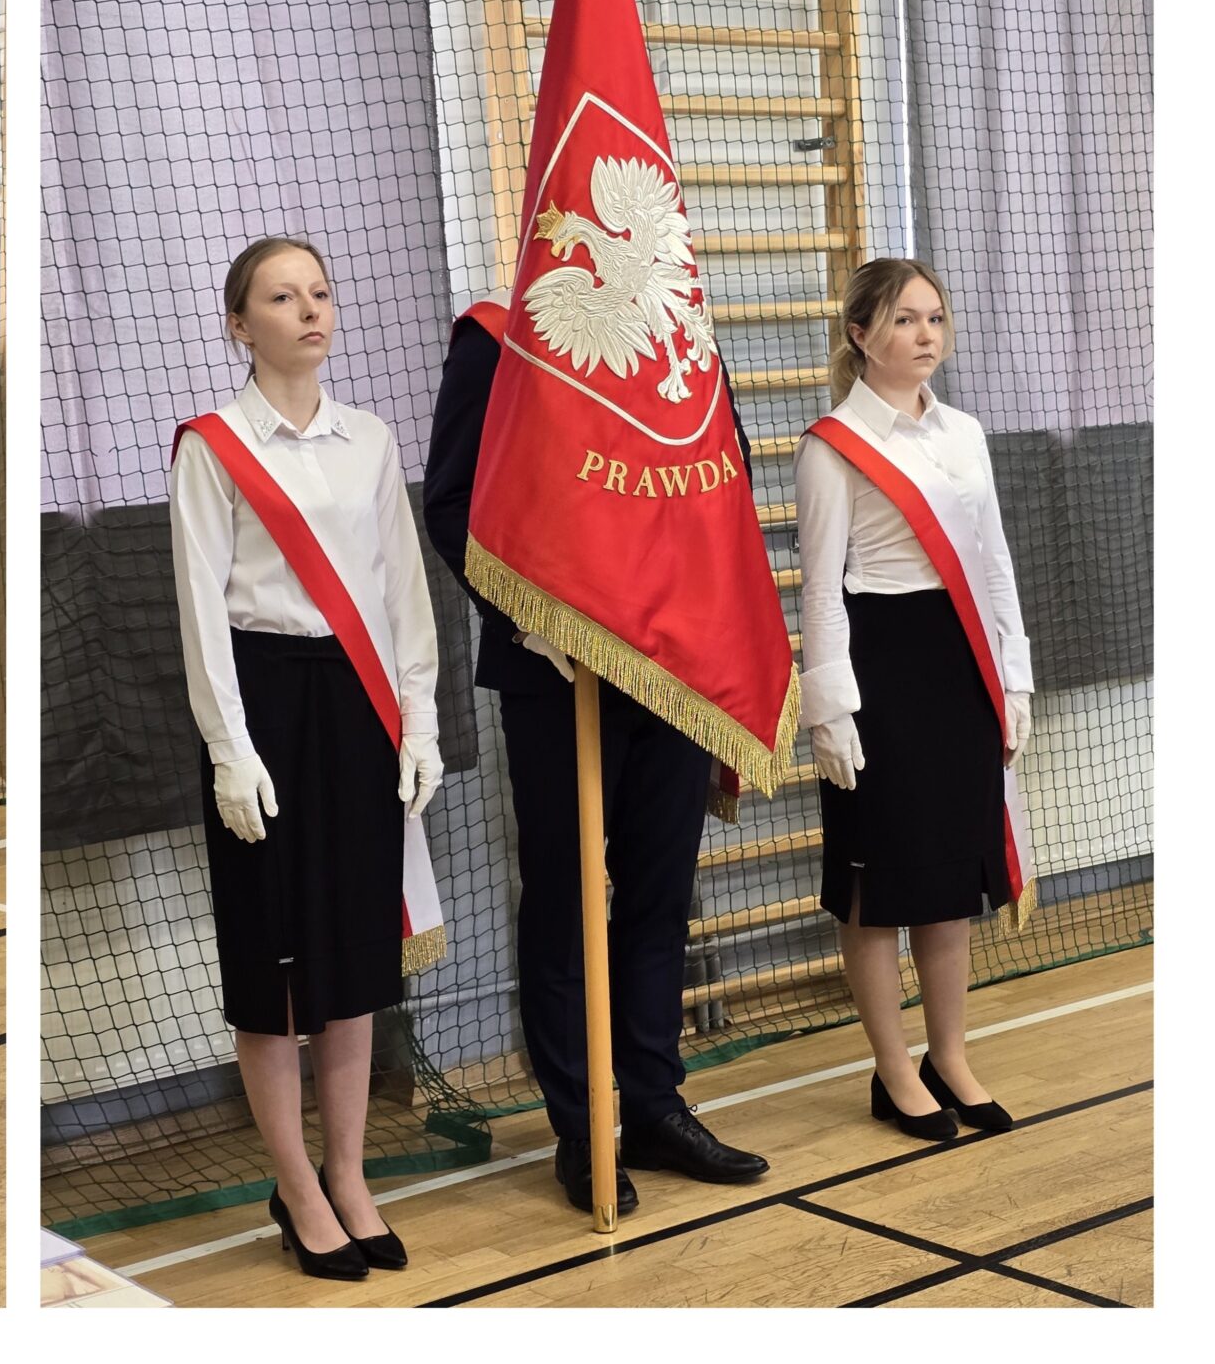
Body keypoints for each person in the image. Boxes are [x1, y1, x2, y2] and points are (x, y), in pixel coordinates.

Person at [426, 290, 771, 1214]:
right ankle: (583, 1125)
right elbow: (454, 502)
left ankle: (653, 1103)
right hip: (557, 671)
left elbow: (724, 483)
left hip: (671, 665)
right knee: (566, 897)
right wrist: (534, 617)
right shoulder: (498, 341)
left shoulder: (683, 341)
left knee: (659, 894)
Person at [169, 238, 444, 1280]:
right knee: (274, 964)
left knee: (353, 961)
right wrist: (228, 749)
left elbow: (402, 590)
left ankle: (349, 1175)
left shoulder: (367, 439)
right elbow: (201, 609)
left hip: (358, 701)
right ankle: (294, 1187)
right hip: (264, 706)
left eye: (320, 292)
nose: (309, 310)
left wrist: (417, 719)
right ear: (239, 325)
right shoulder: (213, 447)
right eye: (282, 297)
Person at [796, 258, 1031, 1143]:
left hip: (958, 662)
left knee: (947, 877)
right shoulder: (831, 446)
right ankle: (894, 1069)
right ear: (861, 335)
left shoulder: (964, 432)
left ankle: (950, 1056)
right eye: (904, 318)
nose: (926, 333)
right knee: (878, 883)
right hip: (880, 669)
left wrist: (1014, 675)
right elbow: (820, 589)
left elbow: (994, 561)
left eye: (935, 316)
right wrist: (830, 707)